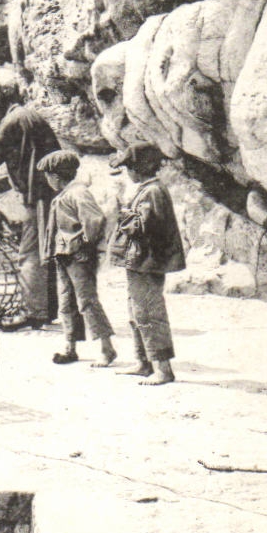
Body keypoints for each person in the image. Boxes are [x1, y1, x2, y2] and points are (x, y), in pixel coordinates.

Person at [0, 84, 61, 330]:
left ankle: (34, 313)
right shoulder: (28, 116)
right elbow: (24, 162)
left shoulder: (12, 122)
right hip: (48, 192)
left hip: (37, 196)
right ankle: (47, 309)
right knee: (45, 251)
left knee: (30, 254)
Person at [108, 143, 184, 386]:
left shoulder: (152, 191)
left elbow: (145, 227)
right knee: (136, 311)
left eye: (129, 167)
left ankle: (162, 368)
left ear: (138, 168)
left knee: (149, 313)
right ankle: (143, 362)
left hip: (147, 262)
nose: (128, 172)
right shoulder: (149, 190)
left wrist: (122, 212)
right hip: (140, 261)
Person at [38, 150, 115, 367]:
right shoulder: (66, 194)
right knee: (66, 303)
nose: (47, 180)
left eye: (48, 176)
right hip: (64, 255)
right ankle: (70, 347)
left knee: (87, 301)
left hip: (78, 256)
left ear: (56, 176)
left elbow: (95, 220)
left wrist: (86, 246)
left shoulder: (78, 193)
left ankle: (107, 348)